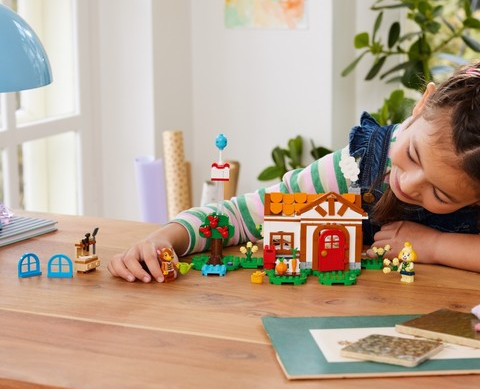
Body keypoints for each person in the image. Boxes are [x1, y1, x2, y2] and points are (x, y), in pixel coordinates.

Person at [108, 63, 480, 282]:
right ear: (422, 104)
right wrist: (164, 239)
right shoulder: (354, 168)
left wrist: (435, 246)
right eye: (412, 154)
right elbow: (240, 215)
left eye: (442, 194)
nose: (409, 184)